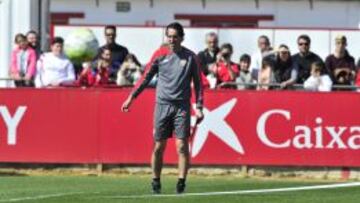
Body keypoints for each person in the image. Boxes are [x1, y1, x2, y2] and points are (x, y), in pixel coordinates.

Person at [121, 22, 204, 194]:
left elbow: (198, 83)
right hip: (162, 105)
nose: (172, 39)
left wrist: (200, 106)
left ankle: (181, 183)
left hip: (182, 106)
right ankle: (156, 180)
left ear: (182, 37)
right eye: (169, 36)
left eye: (175, 36)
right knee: (159, 145)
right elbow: (145, 78)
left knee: (182, 146)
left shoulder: (191, 57)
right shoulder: (159, 55)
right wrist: (131, 97)